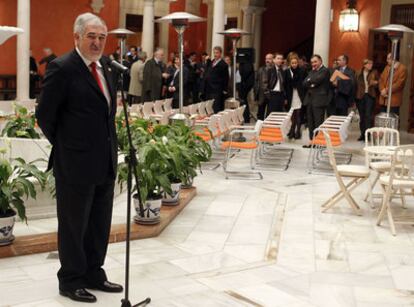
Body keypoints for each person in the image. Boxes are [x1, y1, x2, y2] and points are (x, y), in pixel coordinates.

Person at [35, 13, 122, 303]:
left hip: (104, 160)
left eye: (101, 37)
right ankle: (71, 280)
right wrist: (68, 146)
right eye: (91, 36)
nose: (97, 42)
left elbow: (107, 115)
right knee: (74, 225)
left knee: (99, 222)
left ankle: (93, 273)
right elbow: (45, 116)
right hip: (74, 163)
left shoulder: (107, 67)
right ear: (77, 37)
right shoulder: (63, 68)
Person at [302, 54, 330, 148]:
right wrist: (311, 82)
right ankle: (312, 141)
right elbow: (304, 83)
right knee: (310, 122)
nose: (313, 64)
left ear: (320, 61)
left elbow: (317, 80)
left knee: (318, 122)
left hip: (319, 100)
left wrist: (311, 81)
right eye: (312, 62)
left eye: (315, 62)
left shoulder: (325, 71)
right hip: (309, 100)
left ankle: (318, 141)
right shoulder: (312, 71)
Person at [355, 59, 379, 141]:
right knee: (362, 117)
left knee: (368, 116)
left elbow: (379, 83)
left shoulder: (374, 72)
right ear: (364, 65)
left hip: (370, 95)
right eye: (369, 64)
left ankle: (368, 135)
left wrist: (375, 83)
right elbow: (355, 85)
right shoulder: (358, 73)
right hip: (360, 96)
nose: (370, 65)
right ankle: (362, 134)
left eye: (371, 64)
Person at [285, 54, 306, 139]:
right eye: (292, 63)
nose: (294, 64)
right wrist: (285, 97)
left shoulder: (302, 71)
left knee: (299, 113)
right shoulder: (287, 71)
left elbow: (304, 83)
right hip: (291, 95)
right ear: (290, 63)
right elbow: (285, 85)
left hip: (299, 94)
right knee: (292, 113)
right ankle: (292, 130)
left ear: (298, 63)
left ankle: (298, 131)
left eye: (295, 63)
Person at [204, 46, 229, 113]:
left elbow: (226, 78)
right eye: (214, 53)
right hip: (209, 88)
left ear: (220, 54)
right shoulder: (212, 62)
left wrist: (225, 89)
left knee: (215, 107)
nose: (215, 54)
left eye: (217, 53)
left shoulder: (223, 64)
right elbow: (207, 72)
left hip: (217, 89)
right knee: (208, 107)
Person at [254, 53, 273, 120]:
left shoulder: (274, 69)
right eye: (266, 59)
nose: (267, 60)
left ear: (273, 59)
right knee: (260, 113)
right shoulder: (261, 69)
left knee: (270, 114)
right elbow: (256, 82)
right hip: (261, 95)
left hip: (271, 94)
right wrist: (256, 94)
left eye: (269, 59)